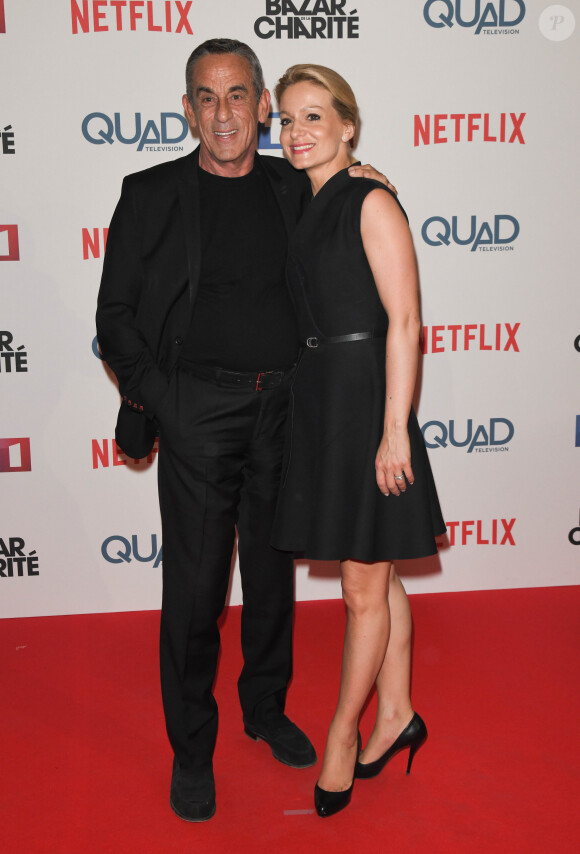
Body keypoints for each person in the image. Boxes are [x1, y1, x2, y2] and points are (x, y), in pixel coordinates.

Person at [96, 39, 390, 823]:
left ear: (262, 106)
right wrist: (166, 399)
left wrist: (371, 179)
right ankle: (193, 749)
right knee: (194, 592)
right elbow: (115, 318)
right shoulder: (150, 192)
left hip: (286, 411)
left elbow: (357, 220)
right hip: (198, 412)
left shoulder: (297, 187)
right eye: (206, 96)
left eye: (237, 96)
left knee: (271, 577)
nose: (223, 112)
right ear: (188, 108)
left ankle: (264, 707)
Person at [271, 64, 446, 818]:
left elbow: (404, 323)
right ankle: (399, 710)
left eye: (315, 116)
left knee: (359, 586)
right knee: (376, 574)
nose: (298, 131)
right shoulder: (302, 200)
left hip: (367, 403)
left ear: (349, 124)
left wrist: (394, 431)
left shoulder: (371, 202)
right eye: (287, 119)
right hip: (321, 402)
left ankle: (343, 733)